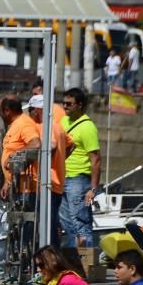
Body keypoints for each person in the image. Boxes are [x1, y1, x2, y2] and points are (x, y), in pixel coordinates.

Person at [24, 94, 72, 247]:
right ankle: (50, 262)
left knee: (45, 230)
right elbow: (71, 144)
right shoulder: (57, 126)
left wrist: (43, 162)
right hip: (55, 184)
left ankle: (50, 264)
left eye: (30, 111)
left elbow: (51, 146)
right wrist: (60, 161)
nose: (28, 115)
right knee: (50, 226)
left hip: (47, 185)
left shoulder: (45, 126)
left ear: (36, 111)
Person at [60, 87, 101, 248]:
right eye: (64, 103)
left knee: (81, 223)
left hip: (78, 179)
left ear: (80, 105)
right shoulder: (63, 121)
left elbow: (96, 159)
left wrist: (93, 188)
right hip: (63, 177)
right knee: (67, 224)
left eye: (69, 104)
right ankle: (74, 263)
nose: (65, 107)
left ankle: (87, 264)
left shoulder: (87, 127)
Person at [0, 95, 40, 205]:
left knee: (26, 221)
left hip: (27, 189)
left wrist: (13, 155)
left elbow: (35, 143)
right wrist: (7, 183)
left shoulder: (24, 123)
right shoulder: (15, 124)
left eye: (0, 111)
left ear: (7, 111)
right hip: (16, 186)